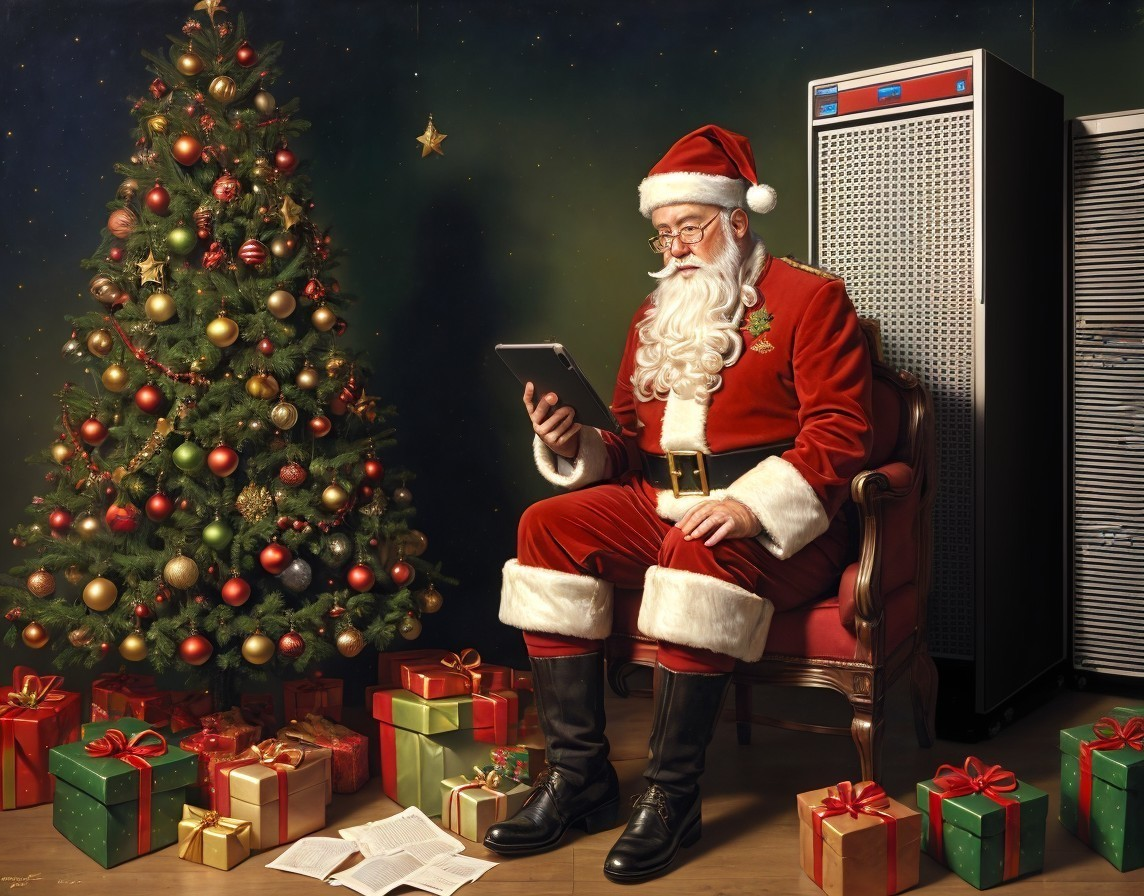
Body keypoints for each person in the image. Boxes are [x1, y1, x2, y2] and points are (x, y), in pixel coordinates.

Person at [483, 124, 874, 882]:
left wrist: (753, 506)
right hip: (660, 497)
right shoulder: (653, 312)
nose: (675, 248)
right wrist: (574, 441)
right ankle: (579, 777)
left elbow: (841, 432)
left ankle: (670, 796)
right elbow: (629, 440)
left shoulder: (811, 298)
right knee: (547, 526)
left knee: (703, 543)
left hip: (784, 523)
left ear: (737, 220)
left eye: (689, 228)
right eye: (663, 233)